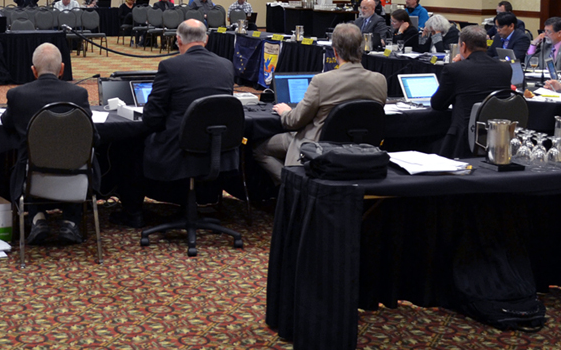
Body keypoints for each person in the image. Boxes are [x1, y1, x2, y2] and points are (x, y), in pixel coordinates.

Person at [113, 19, 234, 227]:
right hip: (218, 149)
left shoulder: (170, 66)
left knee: (129, 145)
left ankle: (132, 212)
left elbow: (152, 118)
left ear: (178, 40)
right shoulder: (226, 66)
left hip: (178, 150)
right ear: (206, 40)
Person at [252, 24, 387, 182]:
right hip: (360, 150)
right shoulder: (380, 80)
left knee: (259, 149)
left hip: (316, 147)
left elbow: (294, 122)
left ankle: (292, 186)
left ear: (335, 51)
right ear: (361, 49)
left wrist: (285, 112)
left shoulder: (322, 81)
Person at [0, 43, 95, 245]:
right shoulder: (79, 94)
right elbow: (92, 134)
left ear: (33, 71)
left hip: (33, 176)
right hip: (77, 177)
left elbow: (6, 123)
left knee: (31, 158)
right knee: (76, 158)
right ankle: (70, 221)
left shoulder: (17, 95)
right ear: (62, 69)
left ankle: (37, 219)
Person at [431, 26, 513, 158]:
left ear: (463, 46)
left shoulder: (454, 70)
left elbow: (438, 104)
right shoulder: (505, 68)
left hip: (463, 138)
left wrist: (455, 64)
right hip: (498, 136)